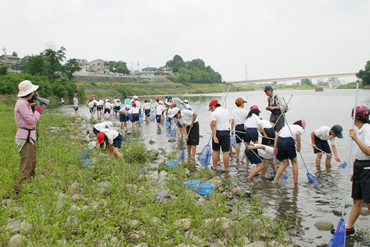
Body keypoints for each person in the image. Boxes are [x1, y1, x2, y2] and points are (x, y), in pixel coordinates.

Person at [331, 106, 370, 235]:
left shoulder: (367, 129)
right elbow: (359, 153)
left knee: (369, 202)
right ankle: (349, 226)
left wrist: (355, 138)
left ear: (355, 117)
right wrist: (354, 170)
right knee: (356, 199)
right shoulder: (359, 130)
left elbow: (368, 152)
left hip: (367, 166)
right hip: (359, 165)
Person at [14, 80, 43, 193]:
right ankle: (22, 189)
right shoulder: (22, 104)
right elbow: (31, 120)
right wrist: (38, 111)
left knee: (32, 162)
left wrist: (31, 107)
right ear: (30, 93)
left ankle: (29, 187)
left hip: (29, 137)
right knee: (26, 164)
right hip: (25, 137)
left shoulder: (23, 103)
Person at [273, 119, 306, 183]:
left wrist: (275, 147)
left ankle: (275, 180)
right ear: (303, 126)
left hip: (280, 141)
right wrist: (299, 147)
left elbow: (277, 135)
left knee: (285, 163)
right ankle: (295, 182)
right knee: (294, 162)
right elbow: (297, 134)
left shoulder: (287, 126)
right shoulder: (300, 128)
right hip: (288, 141)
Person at [209, 99, 230, 172]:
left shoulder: (214, 113)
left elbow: (214, 125)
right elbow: (229, 121)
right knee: (226, 151)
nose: (211, 110)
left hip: (218, 132)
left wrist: (214, 136)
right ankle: (226, 169)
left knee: (215, 150)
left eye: (210, 109)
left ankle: (214, 167)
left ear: (213, 107)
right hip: (226, 132)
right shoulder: (227, 111)